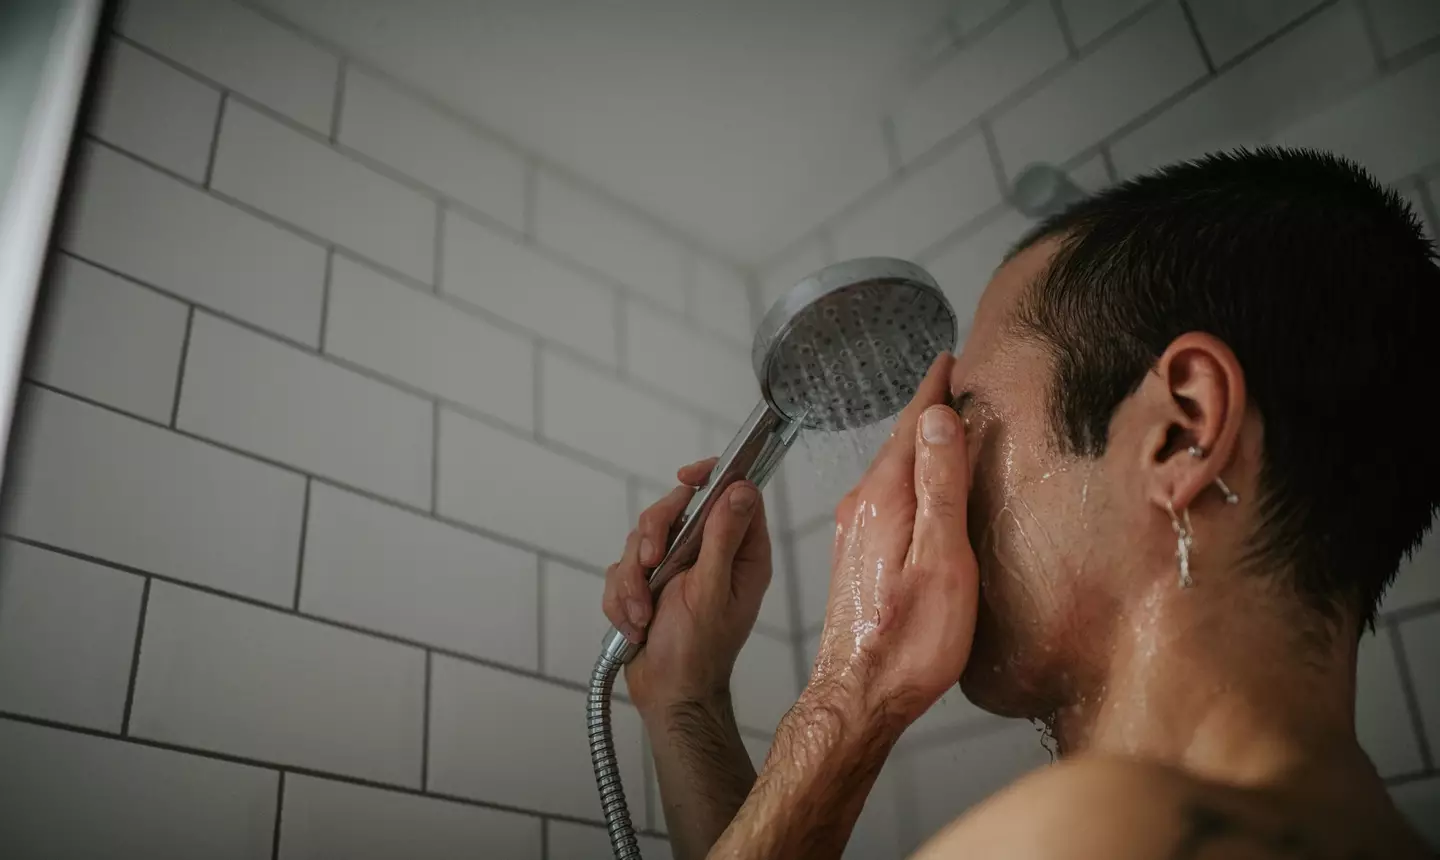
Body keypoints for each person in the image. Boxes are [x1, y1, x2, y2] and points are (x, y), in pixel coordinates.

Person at [601, 148, 1439, 859]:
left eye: (963, 416)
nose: (935, 462)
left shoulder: (1099, 834)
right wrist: (686, 700)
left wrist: (851, 695)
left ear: (1181, 433)